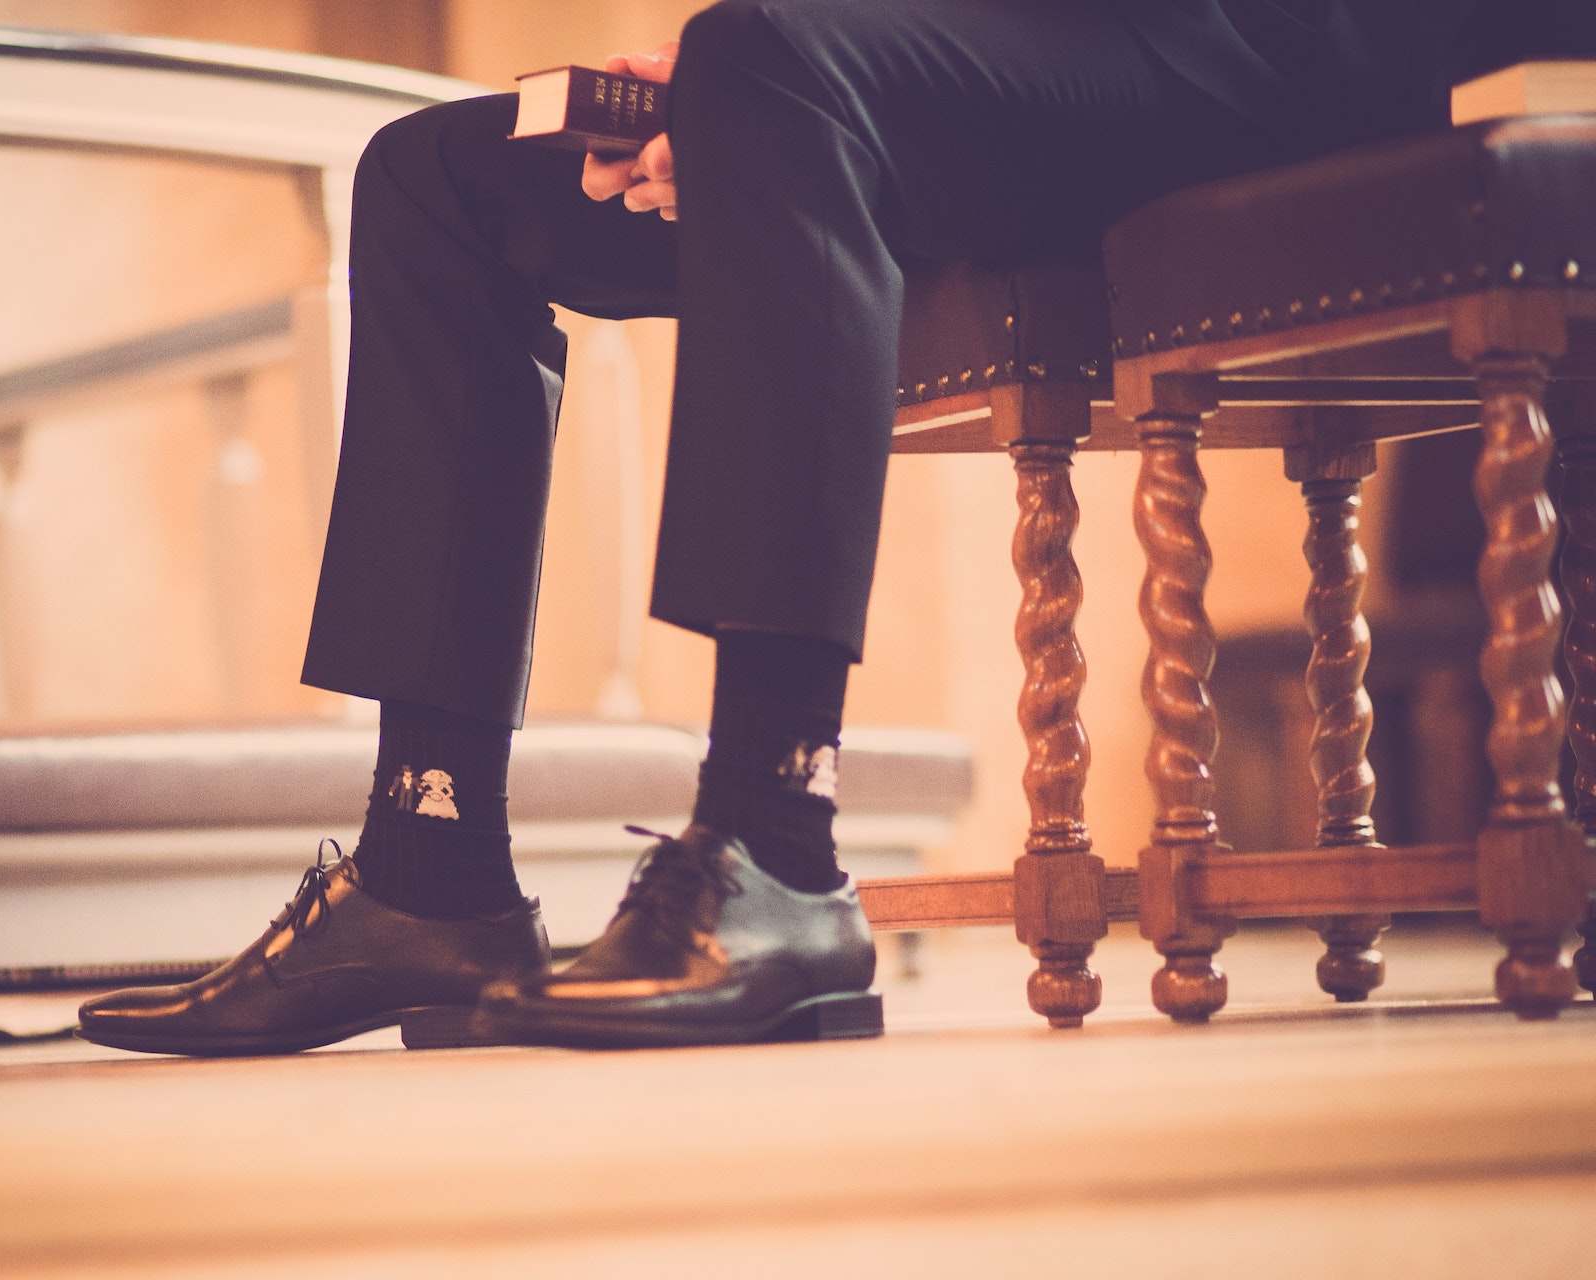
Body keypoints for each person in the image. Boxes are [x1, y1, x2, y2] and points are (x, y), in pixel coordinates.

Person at [78, 0, 1590, 1055]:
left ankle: (777, 841)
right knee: (436, 174)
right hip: (995, 54)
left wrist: (761, 64)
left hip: (1259, 48)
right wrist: (713, 80)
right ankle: (428, 869)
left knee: (768, 66)